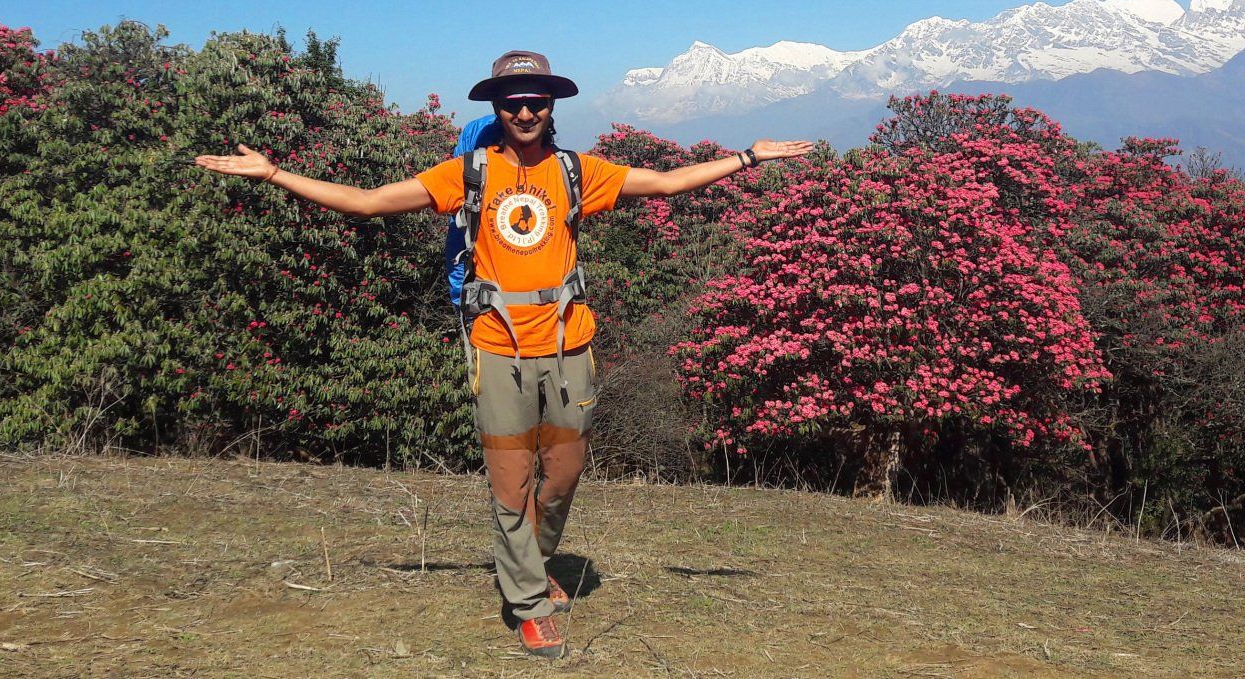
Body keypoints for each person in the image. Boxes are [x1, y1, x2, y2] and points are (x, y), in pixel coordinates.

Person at [195, 50, 812, 658]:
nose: (523, 111)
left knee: (563, 475)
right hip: (498, 345)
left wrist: (748, 157)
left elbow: (669, 183)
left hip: (570, 341)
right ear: (495, 107)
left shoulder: (576, 171)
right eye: (512, 101)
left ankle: (534, 563)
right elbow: (368, 200)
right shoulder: (468, 172)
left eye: (535, 101)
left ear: (551, 105)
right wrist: (275, 175)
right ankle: (527, 603)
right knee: (510, 482)